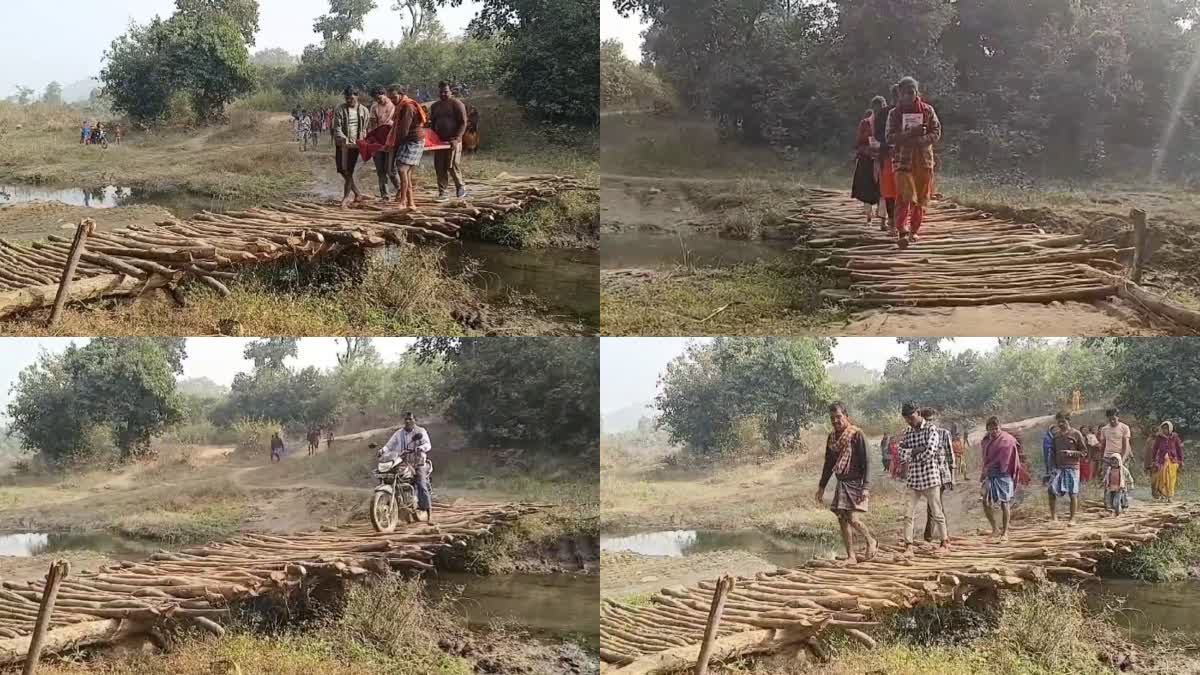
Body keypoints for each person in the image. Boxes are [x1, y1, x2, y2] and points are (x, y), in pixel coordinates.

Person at [816, 402, 878, 564]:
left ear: (846, 416)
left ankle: (871, 541)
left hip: (856, 482)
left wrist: (866, 487)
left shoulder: (857, 435)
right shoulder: (832, 438)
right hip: (842, 482)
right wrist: (821, 487)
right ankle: (851, 556)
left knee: (852, 518)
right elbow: (828, 464)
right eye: (832, 418)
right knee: (842, 518)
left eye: (838, 417)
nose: (835, 421)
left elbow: (868, 462)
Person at [885, 76, 941, 249]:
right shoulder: (894, 114)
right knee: (904, 196)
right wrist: (909, 134)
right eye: (905, 93)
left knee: (921, 197)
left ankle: (914, 230)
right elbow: (889, 137)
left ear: (917, 92)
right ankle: (902, 230)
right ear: (899, 94)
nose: (909, 96)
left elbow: (937, 132)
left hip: (924, 161)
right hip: (902, 161)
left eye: (912, 92)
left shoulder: (927, 110)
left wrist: (922, 138)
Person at [897, 402, 948, 552]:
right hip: (914, 479)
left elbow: (930, 452)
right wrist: (916, 451)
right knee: (908, 514)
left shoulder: (931, 429)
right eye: (906, 419)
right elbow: (900, 453)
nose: (909, 421)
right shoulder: (907, 432)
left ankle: (944, 542)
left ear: (918, 413)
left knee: (937, 512)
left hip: (930, 477)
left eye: (911, 417)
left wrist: (911, 454)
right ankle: (908, 545)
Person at [379, 412, 434, 521]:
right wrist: (382, 450)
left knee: (421, 483)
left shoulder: (421, 431)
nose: (407, 421)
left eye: (410, 419)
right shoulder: (398, 433)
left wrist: (421, 448)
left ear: (414, 420)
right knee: (389, 476)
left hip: (418, 462)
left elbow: (428, 444)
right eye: (406, 419)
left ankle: (429, 514)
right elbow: (390, 445)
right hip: (402, 462)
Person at [386, 85, 427, 208]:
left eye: (394, 97)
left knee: (402, 170)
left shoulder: (407, 107)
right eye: (391, 98)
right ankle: (411, 202)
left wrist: (392, 144)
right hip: (407, 140)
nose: (393, 100)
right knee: (406, 173)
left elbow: (403, 131)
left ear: (401, 94)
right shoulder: (401, 106)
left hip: (413, 141)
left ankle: (403, 201)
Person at [980, 416, 1020, 541]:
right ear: (987, 429)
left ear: (1000, 427)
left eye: (996, 428)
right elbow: (985, 458)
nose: (994, 431)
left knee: (1004, 503)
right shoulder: (986, 440)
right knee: (985, 500)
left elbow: (1010, 458)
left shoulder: (1007, 440)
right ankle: (995, 529)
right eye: (991, 429)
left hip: (1004, 474)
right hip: (990, 474)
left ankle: (1005, 532)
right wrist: (984, 471)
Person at [1046, 412, 1088, 524]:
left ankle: (1072, 519)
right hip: (1059, 468)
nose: (1060, 424)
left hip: (1073, 468)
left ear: (1068, 420)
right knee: (1051, 490)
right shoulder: (1056, 436)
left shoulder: (1076, 434)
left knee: (1072, 493)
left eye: (1063, 421)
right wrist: (1052, 467)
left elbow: (1084, 452)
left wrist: (1071, 453)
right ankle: (1054, 517)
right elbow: (1053, 453)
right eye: (1058, 422)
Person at [429, 81, 468, 200]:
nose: (443, 94)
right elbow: (433, 123)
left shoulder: (457, 104)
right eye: (441, 92)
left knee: (452, 165)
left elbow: (463, 123)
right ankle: (443, 191)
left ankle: (460, 187)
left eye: (445, 92)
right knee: (439, 166)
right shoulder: (435, 106)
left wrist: (457, 138)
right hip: (439, 142)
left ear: (451, 91)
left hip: (453, 140)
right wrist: (432, 139)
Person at [921, 407, 954, 543]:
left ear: (936, 419)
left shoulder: (944, 433)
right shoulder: (920, 434)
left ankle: (932, 535)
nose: (929, 423)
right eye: (926, 420)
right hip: (926, 475)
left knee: (934, 504)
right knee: (934, 504)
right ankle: (938, 534)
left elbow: (950, 457)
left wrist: (952, 478)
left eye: (931, 420)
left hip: (940, 475)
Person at [333, 87, 370, 208]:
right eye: (347, 98)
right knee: (342, 170)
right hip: (342, 145)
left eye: (352, 98)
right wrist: (345, 140)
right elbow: (337, 128)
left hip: (356, 145)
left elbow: (365, 128)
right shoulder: (340, 109)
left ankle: (345, 198)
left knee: (348, 171)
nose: (349, 100)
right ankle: (357, 194)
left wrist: (363, 139)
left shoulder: (364, 110)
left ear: (357, 96)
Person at [852, 97, 884, 224]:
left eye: (880, 106)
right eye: (876, 106)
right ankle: (868, 217)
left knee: (884, 191)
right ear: (872, 107)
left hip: (883, 159)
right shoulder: (865, 123)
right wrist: (868, 150)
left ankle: (883, 220)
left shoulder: (889, 121)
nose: (878, 109)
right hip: (867, 160)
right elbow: (859, 143)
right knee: (867, 190)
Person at [364, 87, 398, 199]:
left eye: (379, 98)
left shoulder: (393, 104)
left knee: (391, 169)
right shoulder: (374, 107)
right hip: (378, 140)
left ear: (384, 94)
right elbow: (373, 126)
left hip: (391, 139)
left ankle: (400, 190)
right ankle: (385, 195)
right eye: (376, 99)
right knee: (380, 170)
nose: (378, 100)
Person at [875, 85, 899, 232]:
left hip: (909, 157)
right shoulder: (884, 114)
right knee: (890, 190)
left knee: (906, 189)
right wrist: (888, 145)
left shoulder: (914, 111)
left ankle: (902, 221)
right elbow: (878, 135)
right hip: (889, 156)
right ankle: (891, 220)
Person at [1152, 421, 1184, 501]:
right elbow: (1155, 449)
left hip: (1172, 461)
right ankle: (1162, 495)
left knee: (1171, 478)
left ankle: (1170, 496)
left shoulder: (1175, 437)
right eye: (1163, 428)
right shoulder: (1159, 437)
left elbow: (1179, 448)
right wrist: (1153, 460)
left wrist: (1181, 460)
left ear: (1170, 429)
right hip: (1161, 461)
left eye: (1166, 428)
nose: (1164, 430)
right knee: (1161, 478)